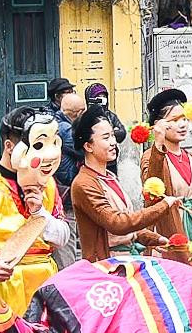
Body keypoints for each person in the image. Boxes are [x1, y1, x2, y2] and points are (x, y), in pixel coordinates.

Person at [0, 107, 72, 314]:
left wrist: (40, 214)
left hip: (45, 289)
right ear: (10, 146)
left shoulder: (48, 184)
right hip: (2, 292)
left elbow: (62, 238)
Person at [68, 108, 176, 266]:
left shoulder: (110, 177)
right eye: (106, 137)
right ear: (88, 146)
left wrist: (152, 238)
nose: (113, 142)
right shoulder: (84, 183)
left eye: (112, 135)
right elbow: (117, 223)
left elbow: (126, 222)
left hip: (126, 260)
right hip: (106, 266)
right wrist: (163, 206)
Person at [139, 88, 192, 268]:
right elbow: (152, 195)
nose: (182, 125)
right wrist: (158, 145)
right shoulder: (151, 157)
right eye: (174, 120)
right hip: (169, 234)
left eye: (184, 119)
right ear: (159, 125)